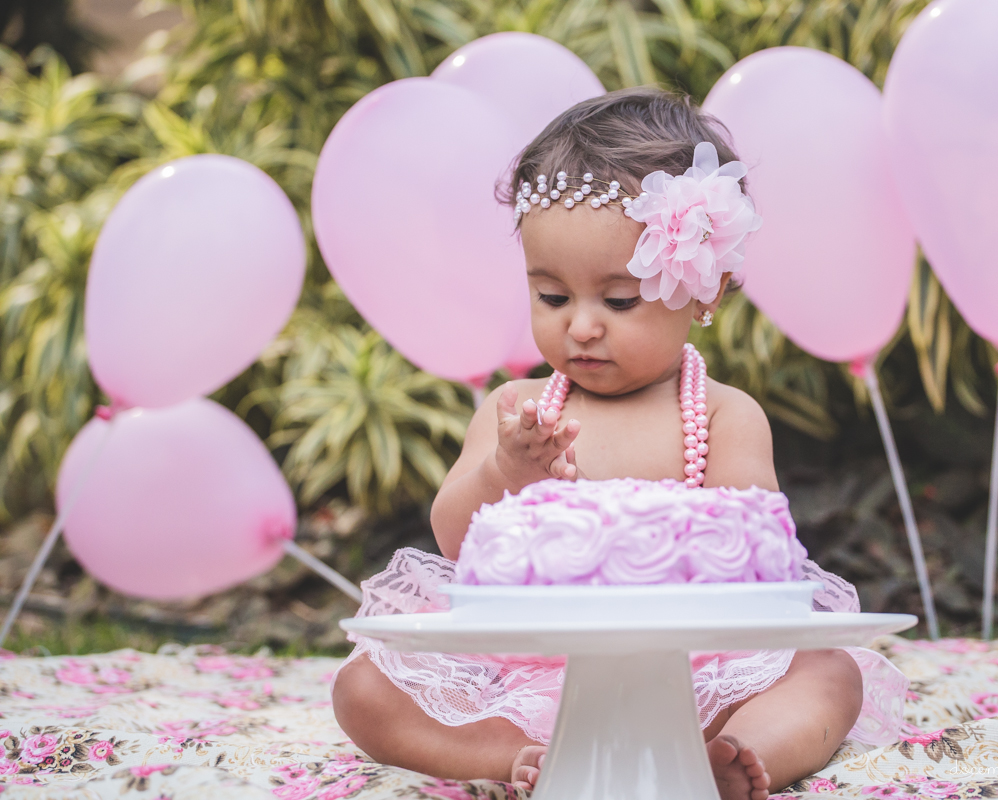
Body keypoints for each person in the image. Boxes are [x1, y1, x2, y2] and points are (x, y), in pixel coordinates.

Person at [331, 87, 908, 800]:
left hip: (694, 667)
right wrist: (503, 472)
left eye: (619, 299)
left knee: (829, 671)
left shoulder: (724, 415)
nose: (580, 326)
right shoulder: (517, 410)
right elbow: (454, 542)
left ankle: (734, 753)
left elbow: (752, 545)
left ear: (705, 290)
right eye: (552, 297)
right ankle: (512, 754)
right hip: (527, 671)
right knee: (363, 686)